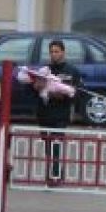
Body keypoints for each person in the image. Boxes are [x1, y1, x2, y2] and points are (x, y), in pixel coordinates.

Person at [34, 39, 83, 186]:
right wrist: (37, 86)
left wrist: (65, 96)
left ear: (63, 52)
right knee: (48, 145)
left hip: (61, 113)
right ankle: (52, 172)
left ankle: (55, 175)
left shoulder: (71, 70)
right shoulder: (45, 70)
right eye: (51, 52)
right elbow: (33, 90)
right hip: (44, 112)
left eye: (56, 51)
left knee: (56, 144)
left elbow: (78, 93)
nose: (53, 54)